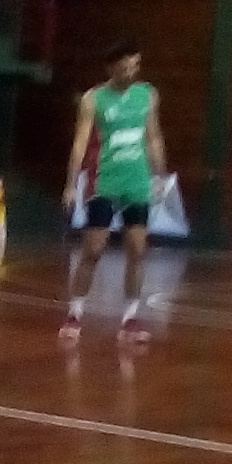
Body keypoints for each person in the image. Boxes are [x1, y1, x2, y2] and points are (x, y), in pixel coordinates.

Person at [59, 44, 166, 342]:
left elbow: (154, 137)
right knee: (93, 250)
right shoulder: (94, 99)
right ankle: (75, 312)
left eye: (135, 66)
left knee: (137, 250)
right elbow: (80, 144)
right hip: (104, 181)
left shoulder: (148, 95)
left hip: (137, 182)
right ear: (111, 68)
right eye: (125, 67)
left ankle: (130, 318)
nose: (131, 72)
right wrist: (71, 184)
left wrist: (160, 175)